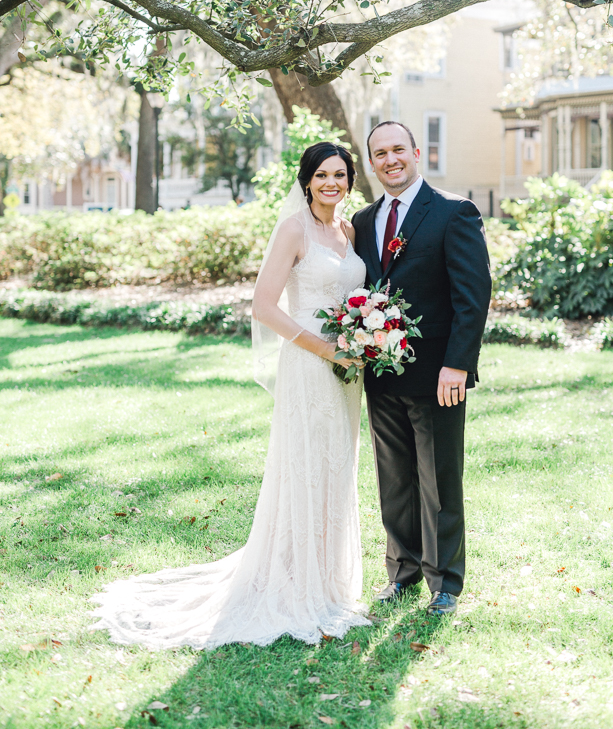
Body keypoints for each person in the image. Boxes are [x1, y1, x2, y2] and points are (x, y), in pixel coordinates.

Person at [91, 142, 370, 648]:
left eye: (341, 175)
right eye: (322, 175)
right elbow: (263, 306)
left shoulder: (348, 231)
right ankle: (293, 582)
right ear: (306, 180)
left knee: (335, 466)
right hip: (310, 364)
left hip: (348, 372)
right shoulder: (293, 229)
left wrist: (362, 337)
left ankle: (328, 580)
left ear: (350, 181)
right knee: (304, 465)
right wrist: (325, 349)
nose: (332, 183)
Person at [352, 121, 491, 617]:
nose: (390, 160)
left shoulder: (453, 212)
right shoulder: (363, 220)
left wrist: (457, 365)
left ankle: (446, 581)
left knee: (439, 479)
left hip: (438, 376)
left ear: (415, 153)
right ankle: (403, 572)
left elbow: (473, 297)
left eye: (397, 150)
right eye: (379, 153)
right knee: (394, 479)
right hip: (381, 374)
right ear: (371, 163)